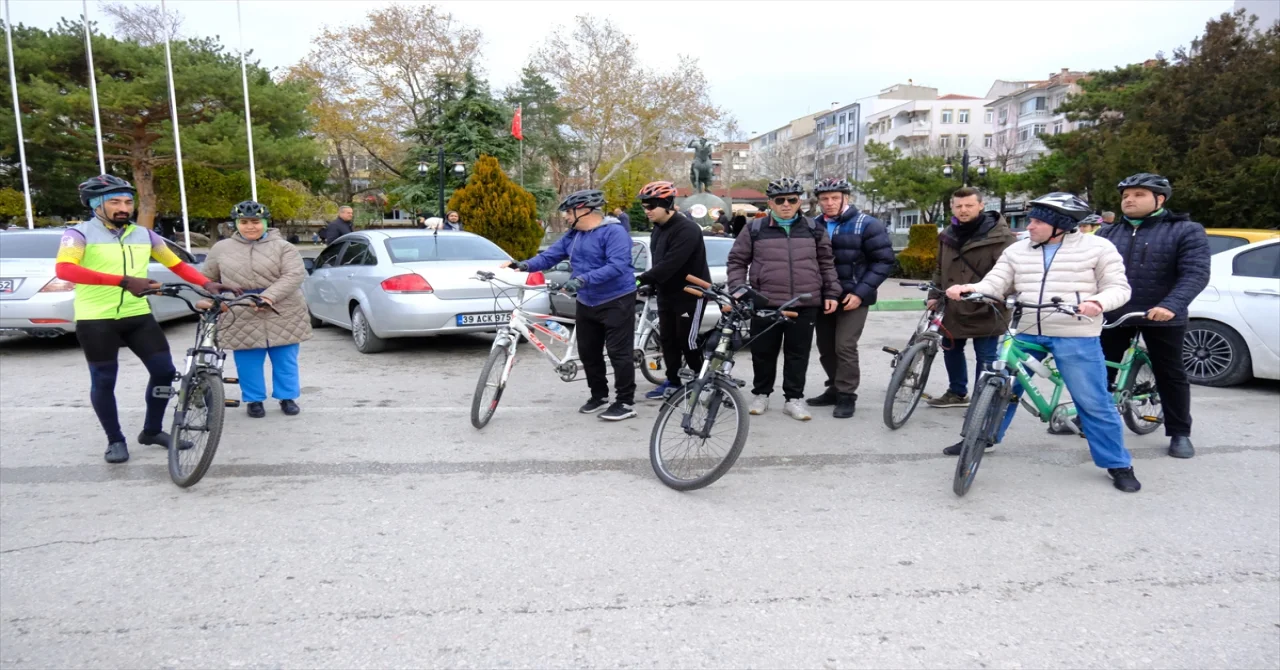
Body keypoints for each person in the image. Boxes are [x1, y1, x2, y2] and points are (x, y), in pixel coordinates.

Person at [946, 192, 1141, 493]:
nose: (1030, 226)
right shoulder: (1018, 250)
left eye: (1037, 221)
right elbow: (996, 282)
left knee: (1092, 401)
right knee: (1000, 386)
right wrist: (972, 288)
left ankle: (1117, 462)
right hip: (1025, 329)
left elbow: (1119, 288)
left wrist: (1097, 302)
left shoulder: (1098, 248)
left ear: (1060, 224)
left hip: (1075, 331)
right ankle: (979, 438)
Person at [55, 175, 237, 464]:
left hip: (137, 315)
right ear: (95, 205)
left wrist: (207, 284)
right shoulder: (78, 235)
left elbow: (175, 263)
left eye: (128, 201)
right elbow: (65, 270)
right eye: (114, 202)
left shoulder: (144, 234)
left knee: (164, 371)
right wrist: (123, 281)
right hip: (96, 318)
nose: (123, 207)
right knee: (104, 380)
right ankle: (115, 439)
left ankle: (152, 430)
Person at [1095, 173, 1210, 459]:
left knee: (1170, 374)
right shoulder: (1108, 233)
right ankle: (1091, 419)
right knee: (1099, 370)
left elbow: (1195, 273)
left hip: (1161, 313)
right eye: (1125, 196)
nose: (1129, 200)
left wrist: (1172, 304)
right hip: (1115, 312)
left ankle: (1179, 431)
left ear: (1160, 199)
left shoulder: (1186, 230)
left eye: (1138, 194)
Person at [506, 190, 638, 421]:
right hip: (588, 299)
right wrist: (523, 265)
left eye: (568, 211)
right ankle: (599, 396)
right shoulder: (574, 235)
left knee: (619, 353)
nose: (566, 216)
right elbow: (550, 256)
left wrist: (582, 279)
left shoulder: (614, 232)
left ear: (584, 210)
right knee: (588, 352)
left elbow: (618, 265)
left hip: (616, 299)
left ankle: (625, 402)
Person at [726, 177, 840, 421]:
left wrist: (831, 293)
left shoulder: (813, 228)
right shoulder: (754, 229)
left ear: (799, 201)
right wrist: (738, 288)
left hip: (804, 302)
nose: (786, 204)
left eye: (792, 199)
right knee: (763, 352)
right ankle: (762, 394)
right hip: (766, 302)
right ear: (770, 203)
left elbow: (826, 263)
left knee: (797, 354)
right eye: (780, 200)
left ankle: (793, 399)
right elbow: (737, 261)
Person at [202, 201, 313, 419]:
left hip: (282, 308)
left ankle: (287, 397)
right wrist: (212, 297)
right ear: (236, 224)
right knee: (248, 360)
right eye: (244, 222)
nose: (250, 227)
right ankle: (254, 400)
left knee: (285, 358)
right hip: (241, 309)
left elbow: (293, 275)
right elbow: (207, 278)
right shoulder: (221, 249)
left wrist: (268, 296)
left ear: (265, 222)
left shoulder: (283, 247)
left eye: (255, 222)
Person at [804, 177, 895, 419]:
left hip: (853, 296)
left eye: (835, 198)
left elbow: (884, 261)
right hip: (824, 297)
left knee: (844, 345)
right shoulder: (814, 225)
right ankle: (833, 387)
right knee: (825, 347)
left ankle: (847, 395)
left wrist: (860, 292)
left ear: (847, 198)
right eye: (824, 199)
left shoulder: (867, 224)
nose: (830, 203)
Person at [924, 187, 1016, 409]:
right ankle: (957, 392)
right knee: (950, 349)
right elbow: (939, 267)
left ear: (981, 206)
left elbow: (1012, 271)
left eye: (969, 205)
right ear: (952, 207)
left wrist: (998, 295)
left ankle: (981, 401)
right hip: (952, 304)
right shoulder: (948, 233)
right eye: (958, 206)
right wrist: (933, 294)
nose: (963, 210)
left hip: (986, 304)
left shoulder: (1001, 236)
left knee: (985, 356)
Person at [634, 181, 711, 401]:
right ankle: (673, 380)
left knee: (687, 339)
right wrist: (650, 284)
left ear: (667, 203)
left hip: (691, 295)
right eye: (644, 206)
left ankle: (700, 380)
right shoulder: (658, 229)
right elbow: (658, 263)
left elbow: (671, 263)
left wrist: (640, 281)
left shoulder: (687, 229)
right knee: (667, 339)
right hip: (667, 294)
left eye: (651, 206)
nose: (646, 211)